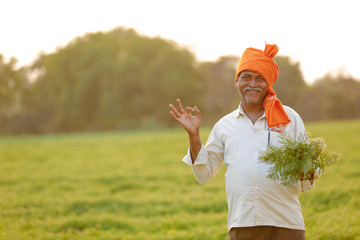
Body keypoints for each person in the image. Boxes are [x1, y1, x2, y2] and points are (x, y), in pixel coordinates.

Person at [169, 43, 318, 240]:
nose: (252, 84)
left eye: (260, 79)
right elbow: (204, 174)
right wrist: (194, 136)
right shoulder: (224, 125)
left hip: (286, 222)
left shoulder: (289, 118)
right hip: (243, 223)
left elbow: (307, 178)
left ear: (269, 84)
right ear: (237, 82)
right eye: (246, 77)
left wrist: (308, 168)